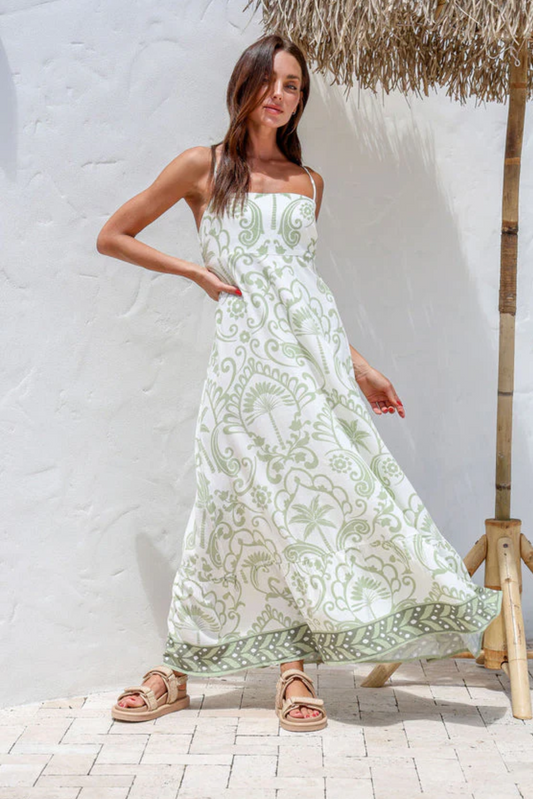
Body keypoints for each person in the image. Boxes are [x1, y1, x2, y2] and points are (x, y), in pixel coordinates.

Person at [97, 34, 503, 733]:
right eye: (270, 80)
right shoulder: (205, 165)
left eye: (293, 85)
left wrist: (358, 365)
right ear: (244, 86)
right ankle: (179, 666)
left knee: (307, 511)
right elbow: (114, 234)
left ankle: (295, 670)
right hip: (242, 372)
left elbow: (300, 295)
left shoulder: (309, 184)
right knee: (224, 506)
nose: (280, 94)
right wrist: (194, 272)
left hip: (307, 375)